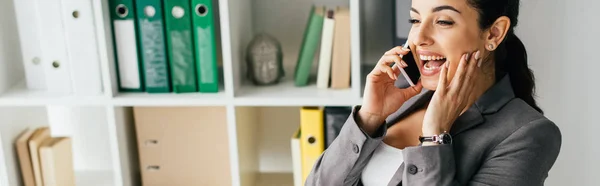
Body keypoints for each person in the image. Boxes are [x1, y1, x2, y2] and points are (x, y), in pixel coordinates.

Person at [305, 0, 562, 185]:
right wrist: (369, 118)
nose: (419, 37)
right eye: (415, 20)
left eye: (443, 21)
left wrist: (435, 138)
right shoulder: (405, 100)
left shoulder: (528, 135)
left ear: (493, 33)